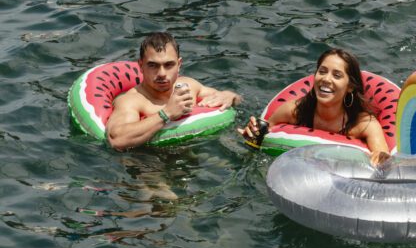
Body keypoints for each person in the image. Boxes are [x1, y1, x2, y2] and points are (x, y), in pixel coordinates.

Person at [239, 48, 390, 165]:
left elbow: (383, 157)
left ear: (350, 86)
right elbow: (262, 137)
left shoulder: (363, 124)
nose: (326, 79)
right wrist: (252, 134)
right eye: (322, 72)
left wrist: (380, 157)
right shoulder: (293, 111)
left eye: (336, 75)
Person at [106, 32, 242, 150]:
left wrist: (230, 96)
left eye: (168, 65)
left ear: (179, 64)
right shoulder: (131, 101)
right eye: (153, 65)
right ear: (141, 65)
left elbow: (232, 99)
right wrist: (167, 113)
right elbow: (116, 139)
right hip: (148, 162)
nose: (162, 73)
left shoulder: (189, 86)